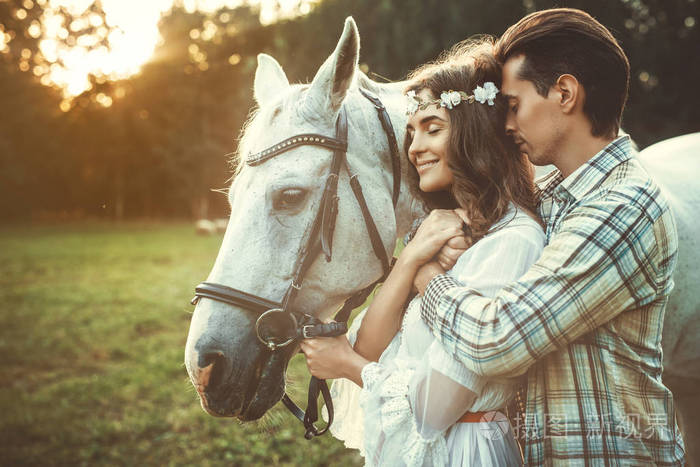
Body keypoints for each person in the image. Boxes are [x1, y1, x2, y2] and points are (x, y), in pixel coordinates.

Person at [409, 8, 686, 466]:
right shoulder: (555, 195)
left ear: (564, 92)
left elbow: (498, 339)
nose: (506, 124)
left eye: (513, 106)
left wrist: (428, 277)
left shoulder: (623, 207)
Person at [300, 40, 545, 466]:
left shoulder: (512, 241)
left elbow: (437, 409)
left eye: (433, 128)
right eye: (411, 132)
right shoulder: (435, 232)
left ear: (475, 132)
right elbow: (373, 349)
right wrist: (412, 258)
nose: (414, 148)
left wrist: (345, 365)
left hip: (463, 450)